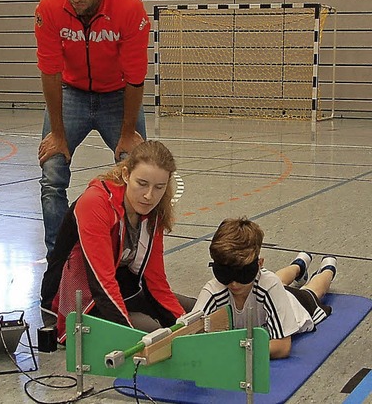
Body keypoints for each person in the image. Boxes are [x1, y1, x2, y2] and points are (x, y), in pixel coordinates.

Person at [34, 0, 151, 267]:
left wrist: (128, 132)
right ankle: (59, 261)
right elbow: (50, 71)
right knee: (52, 173)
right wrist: (58, 133)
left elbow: (135, 76)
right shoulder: (50, 7)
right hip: (71, 93)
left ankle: (132, 259)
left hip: (118, 96)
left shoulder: (129, 8)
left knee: (138, 171)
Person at [40, 141, 194, 341]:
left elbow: (155, 281)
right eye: (142, 184)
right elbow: (101, 284)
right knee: (152, 331)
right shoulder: (95, 203)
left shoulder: (153, 212)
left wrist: (183, 324)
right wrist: (128, 333)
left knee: (195, 310)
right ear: (126, 175)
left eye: (159, 187)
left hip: (122, 291)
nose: (149, 195)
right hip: (79, 302)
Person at [193, 217, 337, 359]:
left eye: (244, 274)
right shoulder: (215, 290)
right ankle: (299, 265)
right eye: (225, 273)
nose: (234, 284)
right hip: (266, 289)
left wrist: (234, 351)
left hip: (295, 303)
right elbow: (190, 331)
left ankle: (328, 268)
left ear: (259, 264)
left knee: (311, 291)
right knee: (273, 281)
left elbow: (282, 347)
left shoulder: (269, 285)